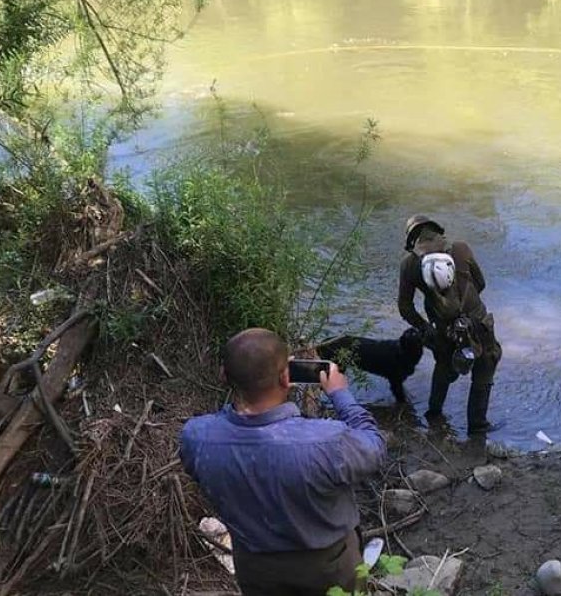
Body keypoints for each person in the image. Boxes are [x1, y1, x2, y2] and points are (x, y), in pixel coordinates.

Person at [180, 329, 385, 596]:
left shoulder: (196, 437)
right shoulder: (325, 441)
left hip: (255, 565)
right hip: (328, 566)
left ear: (223, 376)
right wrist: (340, 394)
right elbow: (375, 447)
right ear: (286, 377)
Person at [398, 215, 502, 435]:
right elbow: (481, 283)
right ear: (437, 232)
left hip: (443, 329)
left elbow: (405, 307)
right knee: (485, 365)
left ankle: (434, 414)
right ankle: (477, 427)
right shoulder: (461, 248)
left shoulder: (409, 265)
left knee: (443, 367)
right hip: (479, 323)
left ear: (413, 242)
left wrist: (426, 328)